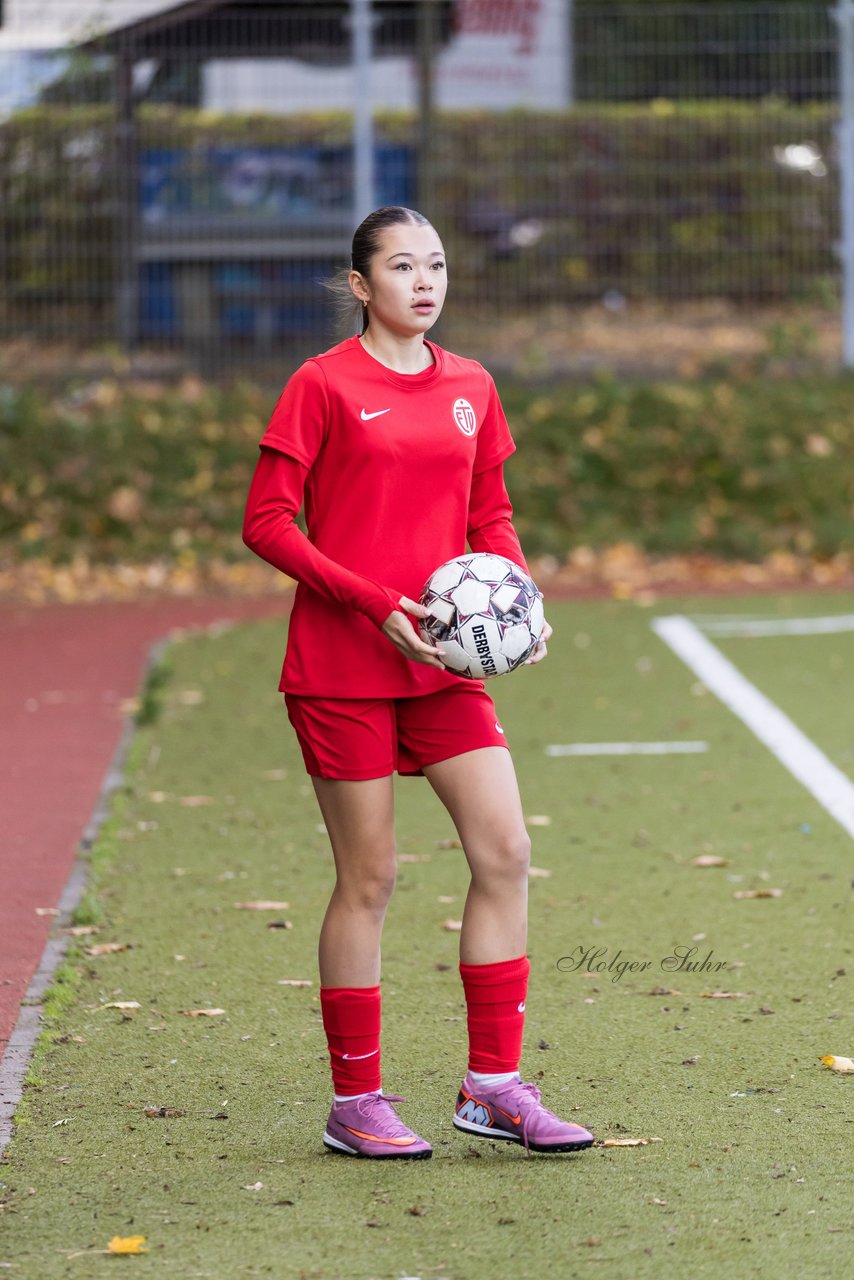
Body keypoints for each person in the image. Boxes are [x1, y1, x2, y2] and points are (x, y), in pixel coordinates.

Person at [242, 205, 594, 1160]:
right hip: (344, 665)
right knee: (371, 877)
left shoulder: (472, 384)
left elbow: (492, 515)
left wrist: (518, 606)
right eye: (402, 267)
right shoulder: (320, 384)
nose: (424, 282)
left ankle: (493, 1088)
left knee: (506, 850)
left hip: (443, 669)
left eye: (435, 265)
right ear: (362, 285)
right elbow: (269, 523)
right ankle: (356, 1104)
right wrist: (372, 602)